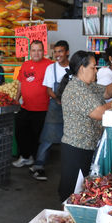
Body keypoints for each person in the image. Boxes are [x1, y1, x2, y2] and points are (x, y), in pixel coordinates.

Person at [58, 51, 112, 202]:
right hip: (77, 149)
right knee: (71, 193)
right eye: (93, 68)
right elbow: (100, 113)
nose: (96, 71)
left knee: (83, 191)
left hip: (87, 147)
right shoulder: (76, 90)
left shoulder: (87, 85)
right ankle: (66, 214)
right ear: (82, 68)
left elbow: (105, 92)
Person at [29, 40, 70, 181]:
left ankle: (70, 168)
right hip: (55, 107)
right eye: (56, 52)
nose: (58, 55)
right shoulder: (51, 68)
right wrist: (58, 99)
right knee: (48, 138)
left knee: (70, 138)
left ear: (67, 52)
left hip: (71, 109)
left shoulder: (74, 68)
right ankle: (38, 166)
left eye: (61, 51)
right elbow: (48, 90)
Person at [12, 40, 53, 167]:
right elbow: (21, 83)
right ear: (30, 52)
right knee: (20, 132)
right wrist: (16, 99)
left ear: (43, 51)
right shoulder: (25, 64)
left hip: (42, 109)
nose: (36, 53)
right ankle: (25, 157)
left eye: (39, 50)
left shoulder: (50, 65)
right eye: (34, 50)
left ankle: (37, 163)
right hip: (25, 107)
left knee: (37, 137)